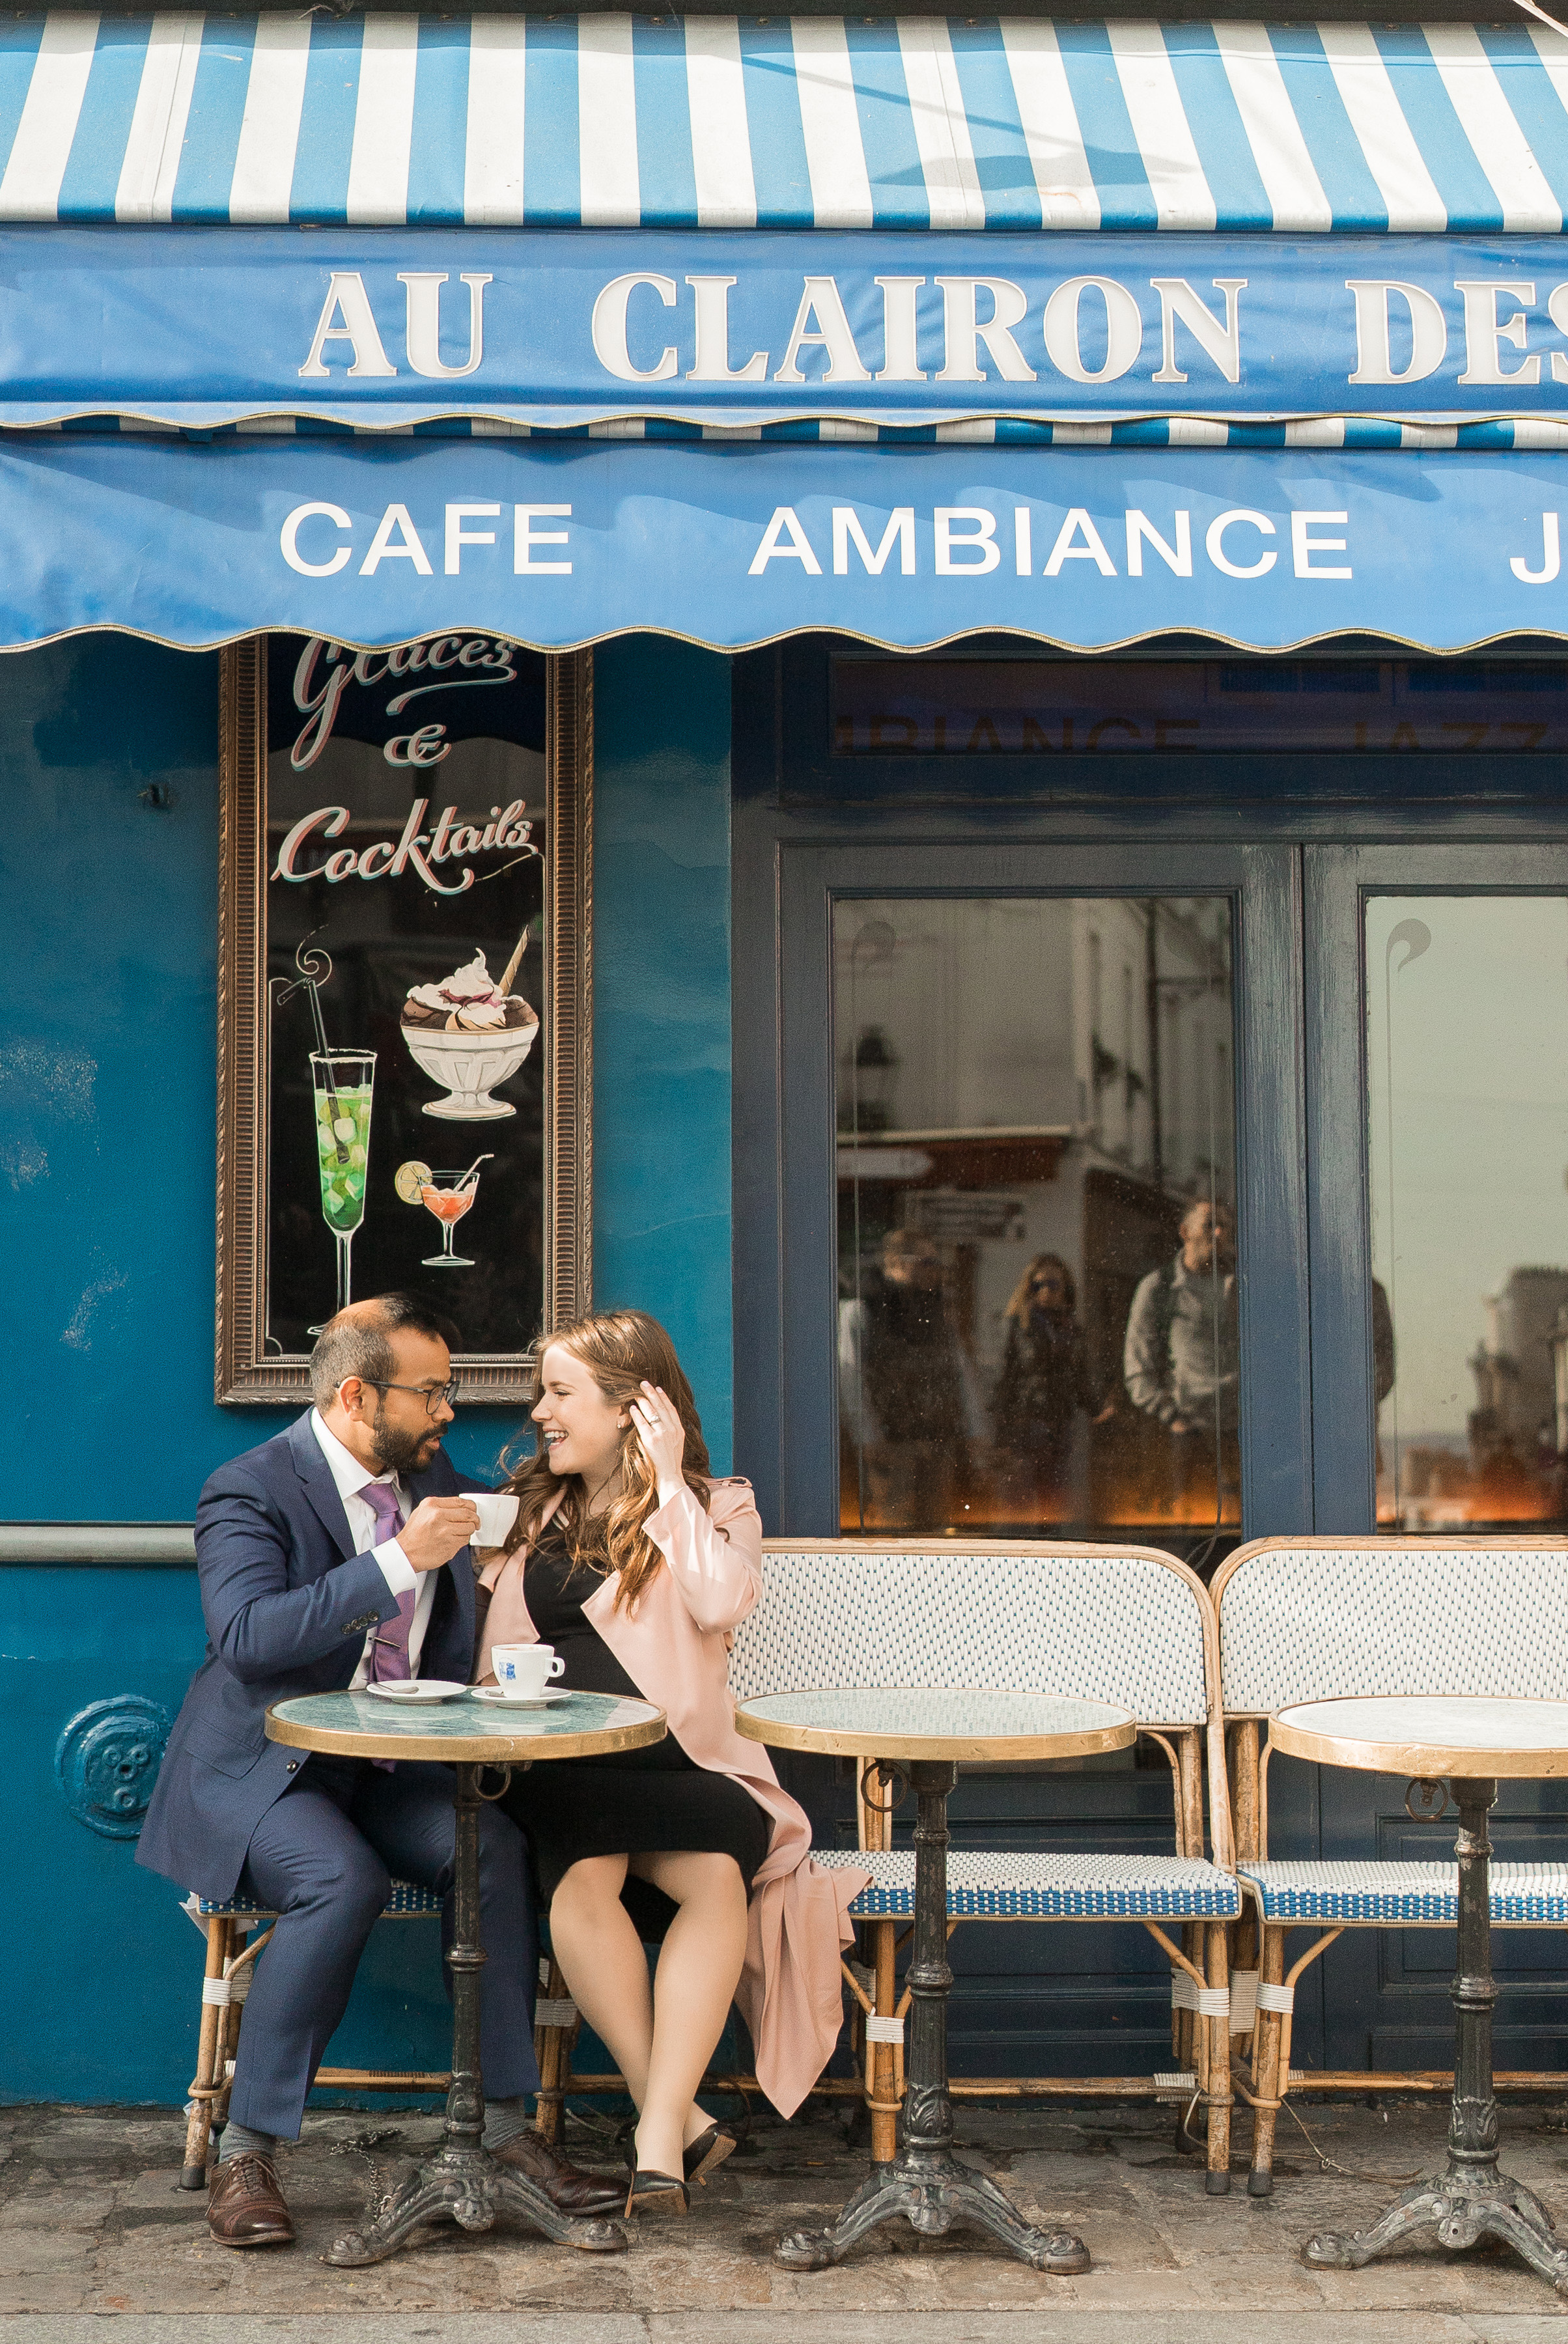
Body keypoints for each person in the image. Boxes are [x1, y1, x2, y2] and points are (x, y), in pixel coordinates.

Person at [137, 1294, 621, 2248]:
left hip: (396, 1763)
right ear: (359, 1396)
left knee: (494, 1852)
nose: (450, 1411)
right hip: (275, 1770)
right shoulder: (250, 1487)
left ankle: (510, 2132)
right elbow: (245, 1637)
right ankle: (250, 2148)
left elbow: (501, 1521)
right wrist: (398, 1561)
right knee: (339, 1878)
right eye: (433, 1393)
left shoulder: (423, 1467)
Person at [475, 1309, 868, 2215]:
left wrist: (666, 1486)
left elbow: (721, 1600)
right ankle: (668, 2126)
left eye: (561, 1393)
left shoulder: (717, 1505)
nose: (539, 1410)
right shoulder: (529, 1511)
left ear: (630, 1410)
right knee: (587, 1867)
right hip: (559, 1760)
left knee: (713, 1878)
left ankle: (666, 2127)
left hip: (685, 1767)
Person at [837, 1227, 973, 1528]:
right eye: (926, 1262)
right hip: (891, 1439)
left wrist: (975, 1430)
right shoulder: (862, 1307)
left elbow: (959, 1369)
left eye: (938, 1263)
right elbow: (850, 1377)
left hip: (936, 1436)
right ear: (896, 1262)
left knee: (937, 1525)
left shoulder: (936, 1309)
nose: (935, 1271)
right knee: (894, 1526)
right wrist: (869, 1436)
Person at [1122, 1199, 1240, 1516]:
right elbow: (1137, 1368)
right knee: (1183, 1531)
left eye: (1225, 1226)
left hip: (1240, 1435)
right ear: (1185, 1233)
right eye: (1209, 1224)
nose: (1218, 1232)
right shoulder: (1159, 1288)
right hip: (1183, 1437)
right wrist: (1172, 1416)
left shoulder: (1246, 1286)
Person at [990, 1253, 1098, 1522]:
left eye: (1053, 1285)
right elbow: (1003, 1379)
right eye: (1038, 1285)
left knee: (1055, 1496)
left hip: (1060, 1421)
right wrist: (1002, 1435)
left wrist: (1097, 1408)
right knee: (1022, 1502)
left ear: (1065, 1288)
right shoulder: (1017, 1326)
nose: (1046, 1291)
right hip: (1024, 1422)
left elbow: (1080, 1375)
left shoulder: (1072, 1328)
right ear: (1029, 1288)